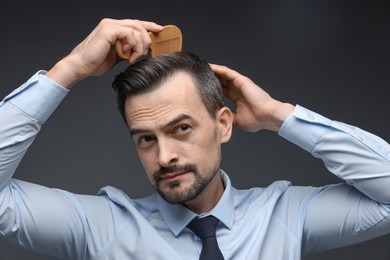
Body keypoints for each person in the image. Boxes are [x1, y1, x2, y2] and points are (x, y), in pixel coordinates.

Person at [0, 18, 389, 260]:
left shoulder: (285, 216)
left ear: (223, 124)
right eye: (145, 139)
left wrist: (278, 115)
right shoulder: (98, 227)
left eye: (181, 129)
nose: (165, 156)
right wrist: (71, 68)